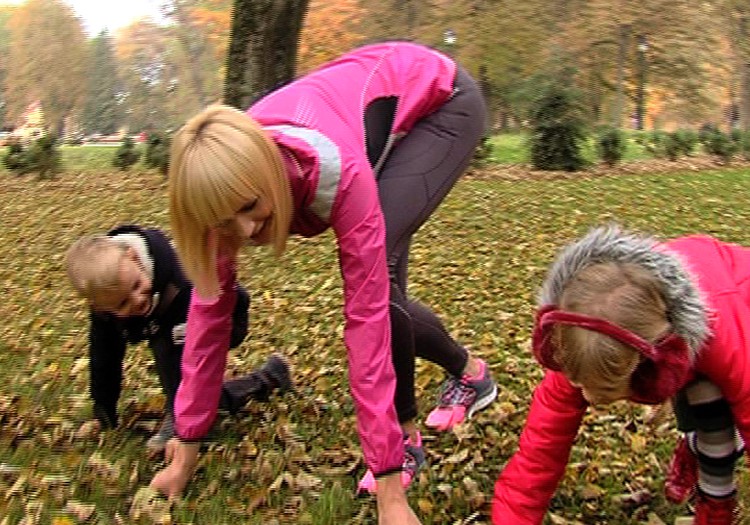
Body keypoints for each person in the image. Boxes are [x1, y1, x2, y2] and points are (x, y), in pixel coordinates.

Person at [150, 41, 497, 523]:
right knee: (386, 282)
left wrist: (390, 495)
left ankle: (405, 441)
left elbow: (366, 324)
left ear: (269, 174)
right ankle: (471, 375)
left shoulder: (337, 175)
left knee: (382, 290)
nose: (245, 232)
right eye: (227, 222)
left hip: (440, 100)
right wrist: (185, 446)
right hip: (365, 117)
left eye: (252, 208)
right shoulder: (222, 188)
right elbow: (208, 320)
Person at [492, 225, 748, 525]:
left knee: (713, 415)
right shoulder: (581, 341)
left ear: (649, 361)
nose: (586, 396)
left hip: (735, 313)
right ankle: (695, 446)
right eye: (580, 384)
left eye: (600, 388)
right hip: (683, 334)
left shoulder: (726, 340)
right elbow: (538, 455)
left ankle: (715, 503)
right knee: (702, 402)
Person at [65, 225, 292, 451]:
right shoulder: (106, 304)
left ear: (134, 258)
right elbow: (105, 356)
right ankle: (272, 375)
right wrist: (103, 411)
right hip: (167, 326)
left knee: (185, 378)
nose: (136, 300)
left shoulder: (180, 279)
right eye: (122, 303)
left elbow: (233, 299)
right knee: (196, 390)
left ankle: (183, 424)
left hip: (222, 319)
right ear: (99, 307)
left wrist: (183, 424)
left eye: (136, 285)